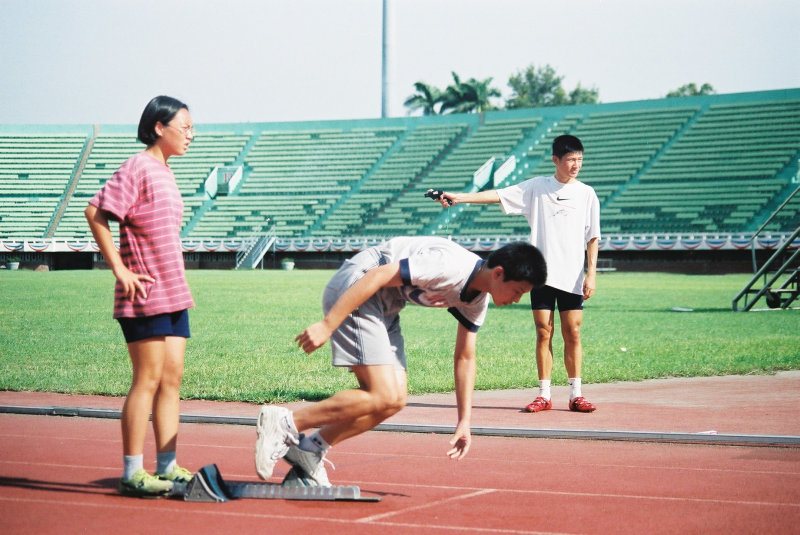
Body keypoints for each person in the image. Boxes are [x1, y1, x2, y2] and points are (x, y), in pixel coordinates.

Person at [254, 237, 547, 486]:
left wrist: (464, 421)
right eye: (518, 291)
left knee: (394, 400)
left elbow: (465, 357)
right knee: (380, 393)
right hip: (360, 285)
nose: (517, 299)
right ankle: (285, 422)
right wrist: (328, 324)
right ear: (498, 273)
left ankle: (311, 449)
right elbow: (378, 275)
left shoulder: (476, 299)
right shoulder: (450, 266)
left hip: (386, 306)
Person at [436, 135, 601, 414]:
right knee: (543, 332)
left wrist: (592, 274)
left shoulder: (587, 193)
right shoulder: (537, 187)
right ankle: (544, 394)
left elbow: (593, 237)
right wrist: (459, 197)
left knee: (572, 332)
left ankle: (576, 394)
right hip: (542, 276)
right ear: (556, 160)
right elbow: (497, 195)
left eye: (580, 160)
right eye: (571, 159)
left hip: (572, 275)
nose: (576, 165)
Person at [85, 95, 196, 497]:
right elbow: (95, 211)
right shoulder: (138, 166)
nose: (191, 135)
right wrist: (119, 268)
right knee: (146, 380)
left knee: (171, 380)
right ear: (158, 128)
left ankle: (166, 465)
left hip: (174, 291)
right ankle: (133, 471)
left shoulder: (165, 171)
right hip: (144, 292)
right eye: (184, 127)